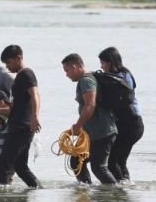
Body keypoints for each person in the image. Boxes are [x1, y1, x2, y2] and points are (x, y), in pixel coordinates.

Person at [0, 45, 41, 187]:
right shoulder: (19, 78)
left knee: (2, 167)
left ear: (19, 58)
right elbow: (16, 108)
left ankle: (4, 201)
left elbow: (35, 94)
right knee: (20, 167)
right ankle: (38, 190)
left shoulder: (26, 74)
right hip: (19, 126)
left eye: (9, 62)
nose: (7, 67)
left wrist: (35, 117)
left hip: (21, 127)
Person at [62, 53, 118, 185]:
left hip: (102, 132)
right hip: (94, 133)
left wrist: (78, 125)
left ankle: (116, 194)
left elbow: (90, 104)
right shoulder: (89, 78)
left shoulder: (86, 80)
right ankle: (85, 190)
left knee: (99, 168)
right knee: (76, 161)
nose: (66, 74)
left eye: (67, 70)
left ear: (75, 67)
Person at [98, 47, 145, 183]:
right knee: (119, 160)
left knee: (113, 160)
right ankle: (125, 185)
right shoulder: (113, 76)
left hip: (132, 124)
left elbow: (126, 96)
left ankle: (121, 187)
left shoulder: (124, 75)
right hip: (126, 124)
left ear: (111, 62)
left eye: (103, 63)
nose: (101, 66)